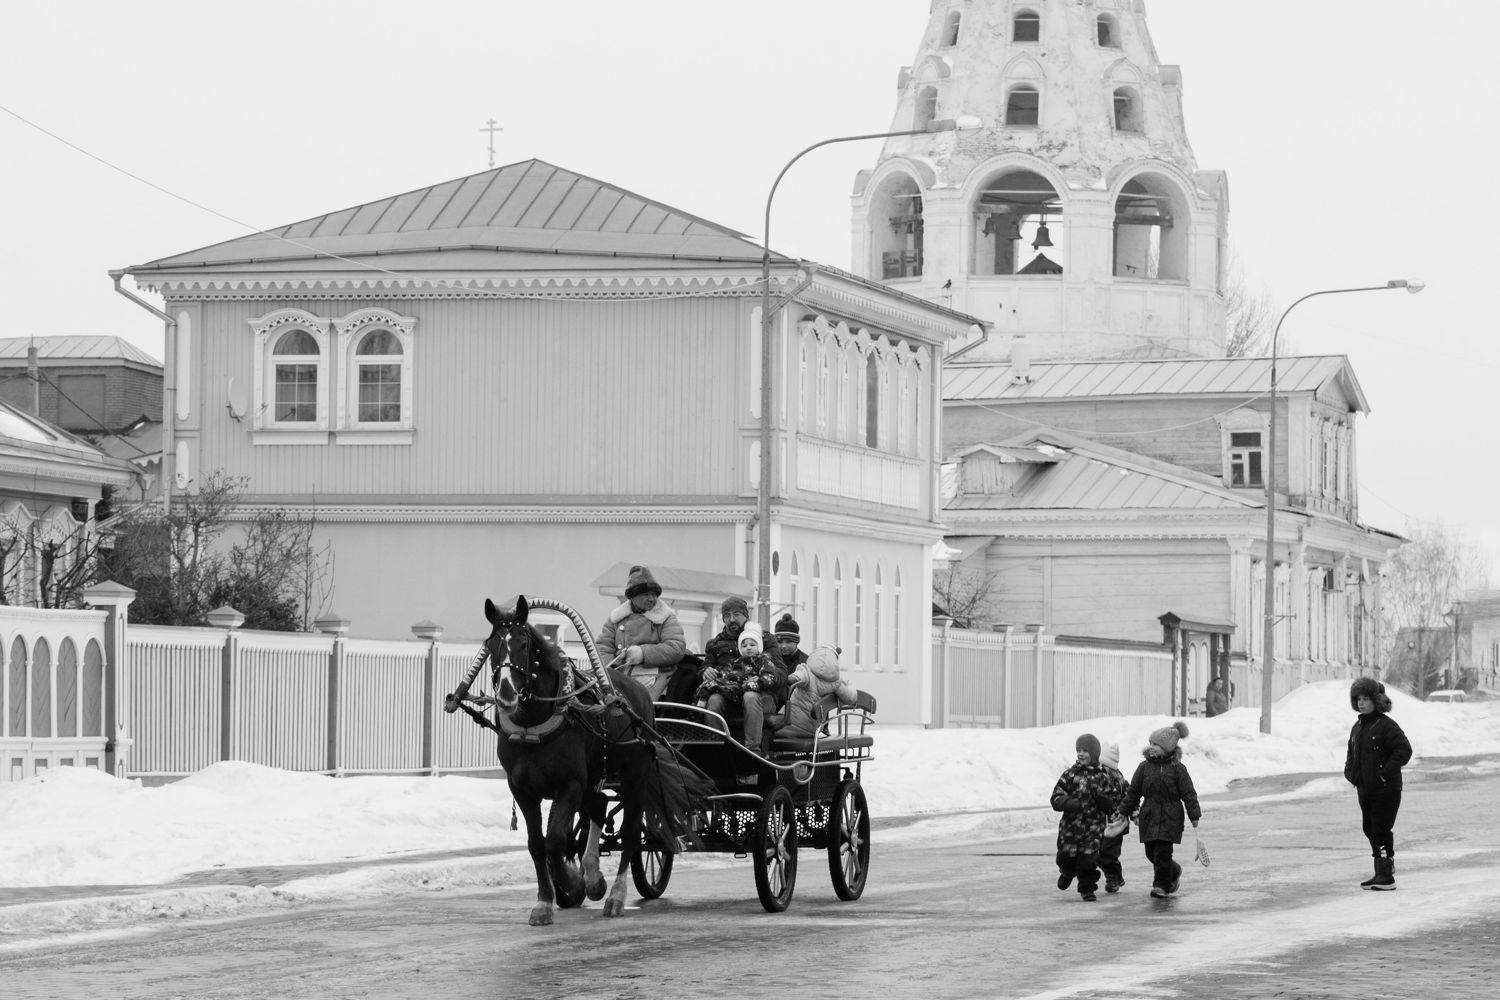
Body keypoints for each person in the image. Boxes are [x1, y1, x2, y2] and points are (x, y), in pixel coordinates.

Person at [1345, 677, 1413, 891]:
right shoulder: (1358, 727)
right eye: (1358, 699)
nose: (1362, 703)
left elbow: (1404, 750)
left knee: (1381, 829)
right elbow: (1351, 754)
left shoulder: (1385, 726)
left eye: (1366, 699)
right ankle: (1382, 871)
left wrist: (1384, 774)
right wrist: (1351, 773)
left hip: (1386, 789)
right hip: (1365, 789)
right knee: (1370, 828)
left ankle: (1386, 875)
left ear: (1376, 700)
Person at [1121, 720, 1200, 899]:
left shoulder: (1178, 769)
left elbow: (1189, 793)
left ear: (1168, 748)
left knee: (1162, 853)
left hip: (1171, 818)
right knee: (1151, 853)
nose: (1152, 748)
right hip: (1149, 815)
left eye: (1156, 744)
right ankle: (1175, 870)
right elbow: (1133, 791)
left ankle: (1161, 886)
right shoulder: (1144, 768)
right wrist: (1123, 810)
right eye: (1151, 744)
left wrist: (1194, 814)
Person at [593, 565, 685, 700]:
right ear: (633, 596)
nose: (652, 598)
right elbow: (603, 648)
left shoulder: (666, 617)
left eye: (654, 594)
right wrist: (611, 672)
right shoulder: (616, 619)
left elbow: (676, 648)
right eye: (646, 594)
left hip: (656, 681)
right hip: (621, 680)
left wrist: (642, 653)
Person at [696, 623, 786, 754]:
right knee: (715, 699)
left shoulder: (765, 661)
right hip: (739, 697)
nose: (748, 648)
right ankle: (715, 747)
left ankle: (753, 748)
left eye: (752, 645)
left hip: (763, 698)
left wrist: (757, 683)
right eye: (744, 646)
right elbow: (727, 677)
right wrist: (717, 682)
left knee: (750, 695)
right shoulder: (736, 664)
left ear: (759, 646)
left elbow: (770, 677)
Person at [1049, 733, 1117, 903]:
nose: (1080, 753)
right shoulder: (1070, 774)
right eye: (1078, 750)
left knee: (1088, 860)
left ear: (1094, 753)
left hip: (1093, 827)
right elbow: (1056, 796)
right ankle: (1067, 871)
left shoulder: (1103, 777)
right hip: (1070, 828)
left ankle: (1087, 889)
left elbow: (1113, 801)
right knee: (1065, 857)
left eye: (1085, 750)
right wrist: (1067, 803)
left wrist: (1107, 804)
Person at [780, 642, 857, 739]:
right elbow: (851, 698)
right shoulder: (836, 683)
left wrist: (789, 678)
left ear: (815, 657)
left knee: (766, 728)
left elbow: (796, 677)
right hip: (813, 729)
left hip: (791, 723)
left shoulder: (807, 673)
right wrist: (850, 685)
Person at [1097, 741, 1130, 894]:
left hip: (1116, 824)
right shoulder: (1095, 777)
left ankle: (1113, 878)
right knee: (1097, 852)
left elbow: (1130, 799)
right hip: (1098, 823)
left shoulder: (1120, 780)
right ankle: (1115, 875)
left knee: (1109, 854)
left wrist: (1135, 813)